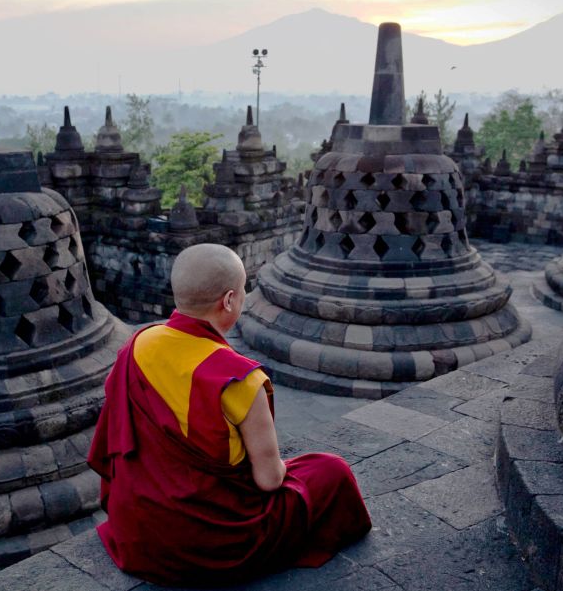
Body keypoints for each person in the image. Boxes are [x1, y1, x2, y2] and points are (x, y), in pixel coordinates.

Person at [88, 243, 371, 586]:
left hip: (139, 532)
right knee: (331, 470)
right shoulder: (242, 378)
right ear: (229, 300)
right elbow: (269, 480)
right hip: (213, 541)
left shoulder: (139, 344)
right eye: (245, 291)